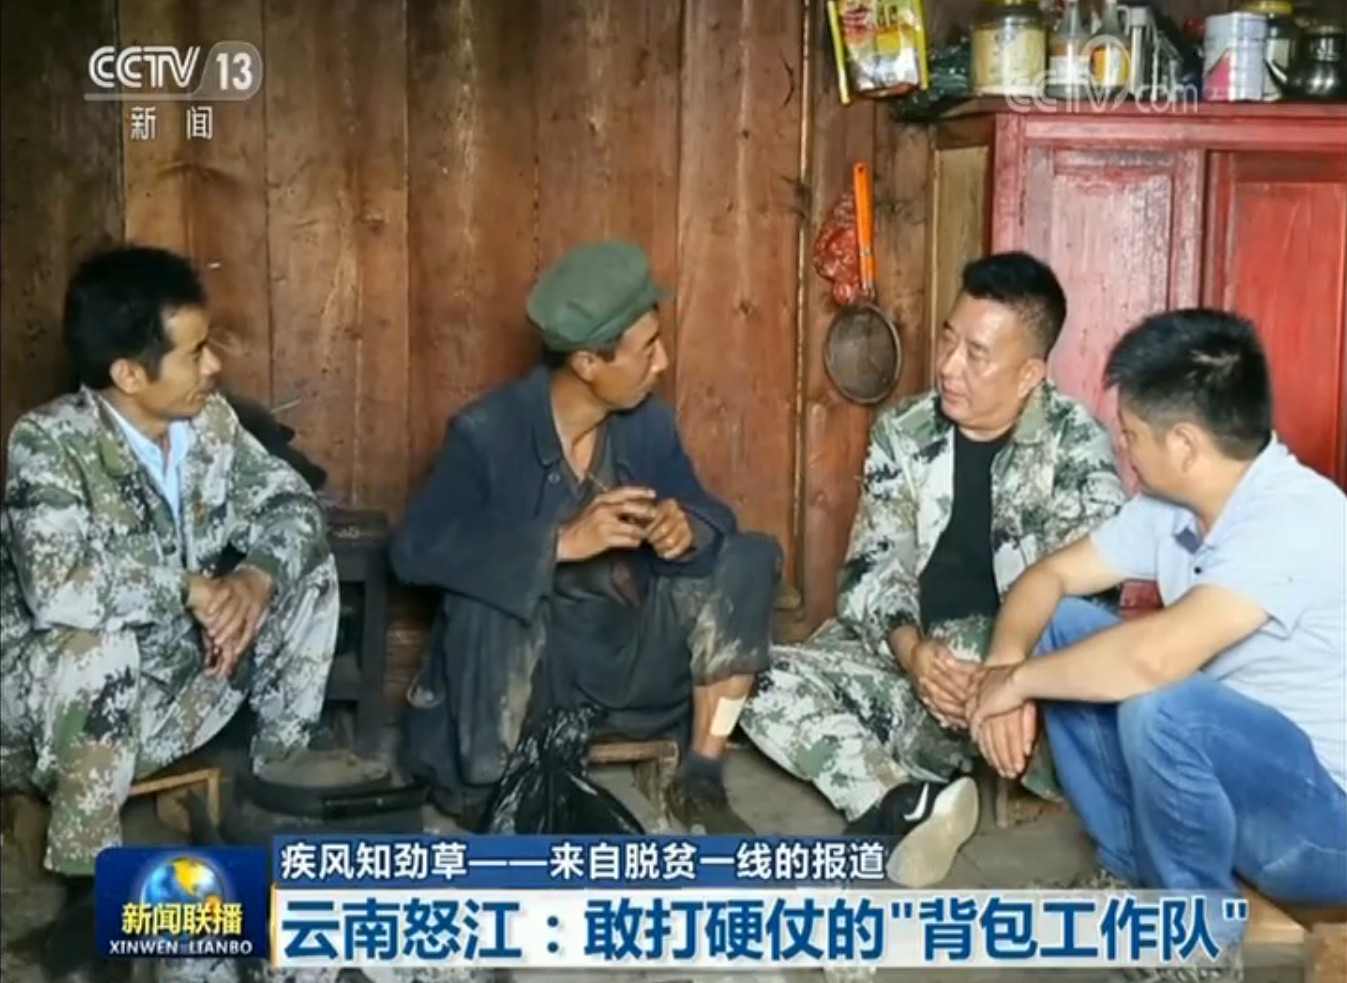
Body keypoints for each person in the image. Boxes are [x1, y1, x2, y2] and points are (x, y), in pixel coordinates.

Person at [968, 309, 1347, 979]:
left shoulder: (1300, 518)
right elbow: (1048, 578)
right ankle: (1129, 875)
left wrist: (1018, 684)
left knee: (1160, 700)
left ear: (1184, 444)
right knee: (1062, 625)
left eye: (1131, 434)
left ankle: (1195, 946)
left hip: (1322, 826)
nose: (1124, 448)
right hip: (1234, 788)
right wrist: (1002, 666)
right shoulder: (1172, 508)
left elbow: (1155, 659)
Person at [0, 245, 340, 976]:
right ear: (129, 374)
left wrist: (253, 579)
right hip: (57, 716)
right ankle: (88, 888)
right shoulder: (49, 442)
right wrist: (189, 587)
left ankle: (271, 784)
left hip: (176, 682)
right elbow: (57, 588)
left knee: (303, 566)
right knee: (93, 645)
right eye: (194, 353)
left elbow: (291, 505)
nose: (213, 365)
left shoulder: (207, 423)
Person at [739, 252, 1125, 886]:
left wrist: (1008, 679)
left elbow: (1088, 604)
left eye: (977, 354)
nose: (948, 366)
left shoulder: (1075, 448)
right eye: (949, 339)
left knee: (1023, 657)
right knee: (748, 674)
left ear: (1029, 374)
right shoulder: (907, 430)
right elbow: (871, 568)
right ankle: (902, 802)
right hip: (916, 670)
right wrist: (913, 651)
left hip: (1020, 695)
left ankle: (920, 787)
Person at [392, 240, 782, 835]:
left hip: (628, 668)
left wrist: (686, 523)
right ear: (587, 363)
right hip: (533, 684)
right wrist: (559, 543)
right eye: (647, 349)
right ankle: (497, 793)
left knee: (750, 557)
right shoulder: (488, 433)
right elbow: (414, 548)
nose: (662, 362)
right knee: (488, 590)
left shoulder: (646, 425)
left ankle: (701, 775)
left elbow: (709, 510)